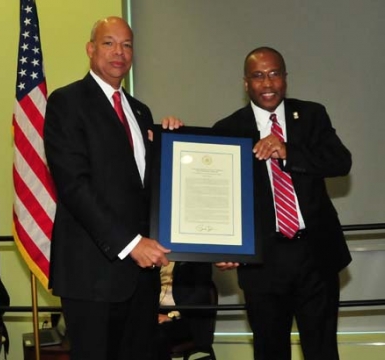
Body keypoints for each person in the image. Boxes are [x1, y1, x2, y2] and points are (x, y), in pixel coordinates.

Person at [43, 16, 182, 360]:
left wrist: (172, 145)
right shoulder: (67, 103)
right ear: (91, 50)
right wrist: (131, 244)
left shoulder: (140, 110)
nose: (118, 52)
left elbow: (150, 189)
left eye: (126, 44)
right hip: (92, 276)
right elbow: (74, 186)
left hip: (141, 279)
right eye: (108, 43)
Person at [212, 47, 353, 360]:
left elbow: (341, 162)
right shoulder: (228, 129)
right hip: (263, 261)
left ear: (285, 78)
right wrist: (222, 245)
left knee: (322, 350)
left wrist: (288, 151)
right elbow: (220, 196)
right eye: (258, 76)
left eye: (275, 74)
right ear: (246, 83)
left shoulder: (312, 115)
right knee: (270, 351)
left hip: (315, 255)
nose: (268, 83)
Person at [155, 262, 215, 360]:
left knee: (157, 335)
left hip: (186, 317)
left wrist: (171, 315)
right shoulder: (156, 255)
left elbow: (201, 294)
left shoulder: (197, 257)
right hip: (158, 312)